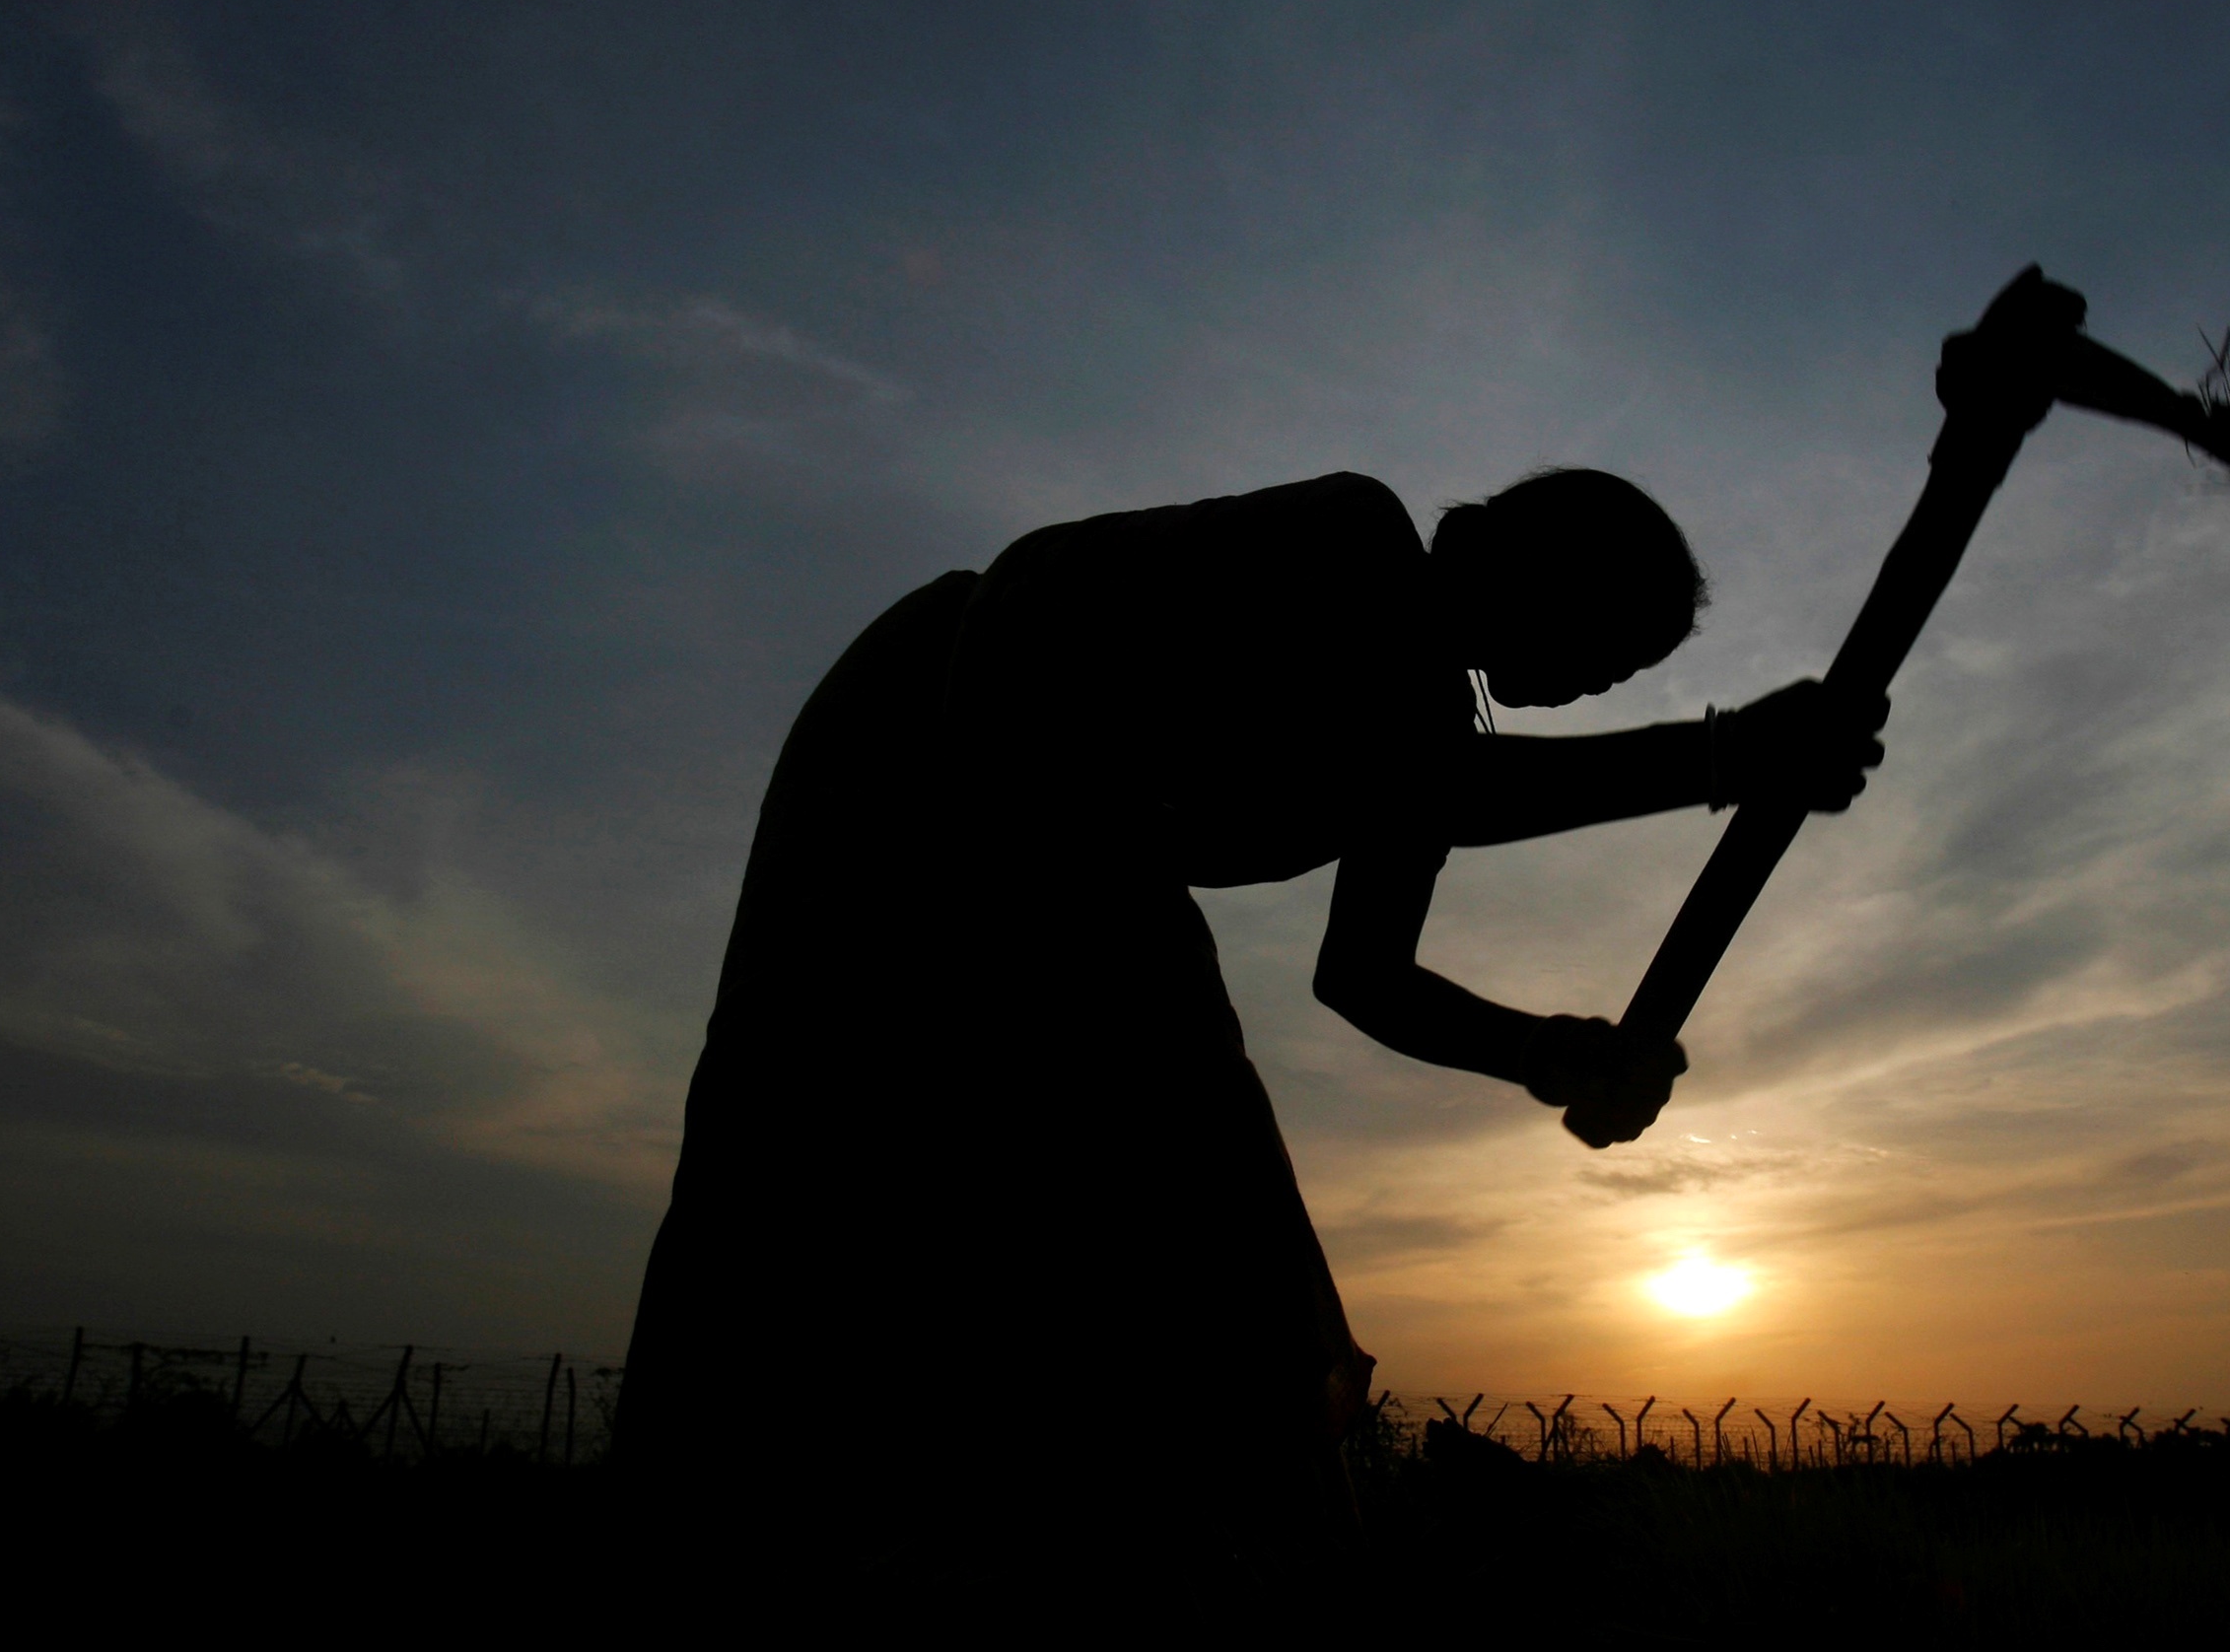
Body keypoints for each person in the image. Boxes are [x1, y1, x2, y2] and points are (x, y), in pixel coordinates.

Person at [622, 466, 1879, 1514]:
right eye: (1607, 637)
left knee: (1162, 1196)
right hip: (914, 745)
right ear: (1501, 547)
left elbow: (1362, 977)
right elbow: (1048, 612)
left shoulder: (1420, 737)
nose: (1603, 679)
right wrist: (1716, 753)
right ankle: (700, 1520)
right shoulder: (1347, 538)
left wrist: (1546, 1053)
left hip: (1078, 857)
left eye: (1625, 671)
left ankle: (1146, 1548)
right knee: (784, 1143)